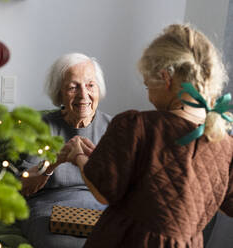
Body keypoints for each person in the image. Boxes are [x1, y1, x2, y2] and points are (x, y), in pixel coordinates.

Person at [62, 24, 233, 247]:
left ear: (165, 78)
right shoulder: (225, 144)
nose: (149, 94)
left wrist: (78, 157)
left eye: (147, 85)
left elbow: (103, 192)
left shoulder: (137, 125)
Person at [18, 53, 112, 248]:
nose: (83, 95)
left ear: (98, 89)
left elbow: (123, 187)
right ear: (59, 93)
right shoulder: (40, 127)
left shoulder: (113, 127)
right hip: (49, 211)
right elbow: (23, 186)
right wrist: (54, 161)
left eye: (90, 85)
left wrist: (94, 161)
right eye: (73, 87)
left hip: (101, 210)